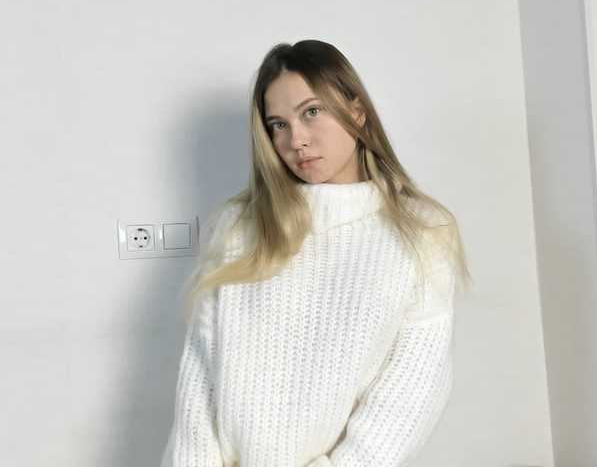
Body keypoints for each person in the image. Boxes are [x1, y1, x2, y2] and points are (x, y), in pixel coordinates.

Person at [160, 39, 472, 467]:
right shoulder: (238, 226)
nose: (296, 140)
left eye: (311, 112)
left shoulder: (421, 232)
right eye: (278, 124)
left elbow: (411, 392)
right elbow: (200, 378)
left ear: (356, 112)